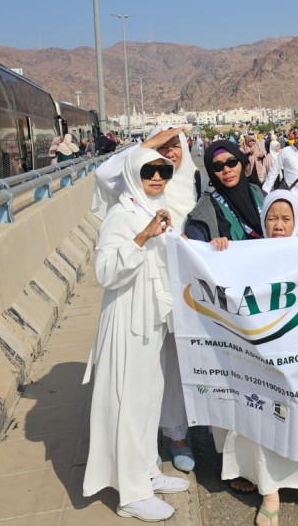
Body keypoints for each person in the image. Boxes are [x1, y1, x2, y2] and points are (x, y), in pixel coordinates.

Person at [211, 189, 298, 526]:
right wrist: (220, 252)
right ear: (263, 220)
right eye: (271, 218)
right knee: (265, 421)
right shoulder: (248, 252)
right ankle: (269, 492)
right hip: (262, 357)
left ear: (296, 220)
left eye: (285, 218)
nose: (278, 225)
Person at [82, 147, 189, 522]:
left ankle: (147, 470)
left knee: (149, 400)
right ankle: (131, 493)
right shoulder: (120, 215)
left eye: (163, 171)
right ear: (133, 174)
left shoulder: (150, 209)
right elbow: (105, 272)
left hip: (153, 320)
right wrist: (142, 238)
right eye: (149, 171)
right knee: (129, 404)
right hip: (129, 320)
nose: (157, 177)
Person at [186, 141, 266, 243]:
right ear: (211, 172)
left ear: (241, 162)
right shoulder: (207, 208)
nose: (226, 170)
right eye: (218, 166)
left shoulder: (259, 194)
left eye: (232, 162)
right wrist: (208, 247)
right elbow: (195, 239)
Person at [262, 129, 298, 234]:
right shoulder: (286, 151)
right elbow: (274, 171)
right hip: (292, 194)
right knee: (295, 223)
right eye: (297, 138)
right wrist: (265, 191)